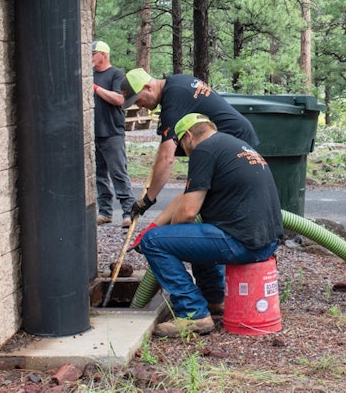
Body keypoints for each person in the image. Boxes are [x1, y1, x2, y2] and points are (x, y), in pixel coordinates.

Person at [131, 113, 283, 337]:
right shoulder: (233, 145)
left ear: (189, 136)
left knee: (154, 242)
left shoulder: (204, 150)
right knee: (190, 235)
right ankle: (214, 299)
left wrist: (158, 235)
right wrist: (154, 225)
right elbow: (186, 195)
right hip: (264, 242)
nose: (187, 154)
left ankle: (192, 313)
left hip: (242, 244)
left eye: (184, 147)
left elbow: (188, 211)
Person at [121, 68, 259, 218]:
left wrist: (147, 200)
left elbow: (167, 159)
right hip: (230, 139)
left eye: (138, 100)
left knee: (215, 202)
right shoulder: (176, 82)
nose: (140, 106)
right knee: (207, 200)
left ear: (148, 88)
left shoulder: (173, 101)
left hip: (232, 140)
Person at [91, 41, 135, 227]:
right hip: (94, 133)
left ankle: (128, 212)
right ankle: (105, 212)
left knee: (118, 173)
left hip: (112, 132)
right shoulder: (90, 75)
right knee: (99, 175)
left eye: (92, 53)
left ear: (103, 54)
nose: (90, 57)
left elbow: (119, 99)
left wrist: (95, 88)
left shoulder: (116, 74)